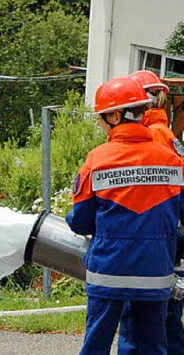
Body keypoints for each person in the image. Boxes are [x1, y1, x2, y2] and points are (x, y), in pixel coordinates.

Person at [65, 76, 184, 354]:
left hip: (109, 273)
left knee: (96, 346)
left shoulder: (98, 159)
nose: (99, 124)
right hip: (155, 274)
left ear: (115, 116)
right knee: (153, 348)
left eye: (101, 118)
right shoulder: (171, 159)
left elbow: (81, 221)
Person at [127, 70, 184, 355]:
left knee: (147, 318)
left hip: (159, 233)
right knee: (169, 315)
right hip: (172, 229)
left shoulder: (150, 136)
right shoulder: (166, 132)